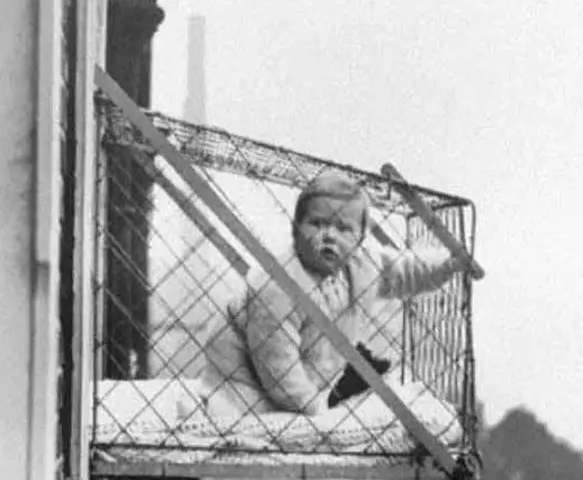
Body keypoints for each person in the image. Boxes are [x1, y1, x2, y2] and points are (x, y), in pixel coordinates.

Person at [189, 171, 467, 419]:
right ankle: (204, 405)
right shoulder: (278, 286)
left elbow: (406, 271)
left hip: (311, 364)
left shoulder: (362, 265)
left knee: (327, 387)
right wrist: (313, 411)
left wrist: (447, 265)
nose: (329, 235)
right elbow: (277, 363)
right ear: (295, 230)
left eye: (343, 228)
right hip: (242, 373)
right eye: (317, 224)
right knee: (240, 414)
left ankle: (336, 388)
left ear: (359, 239)